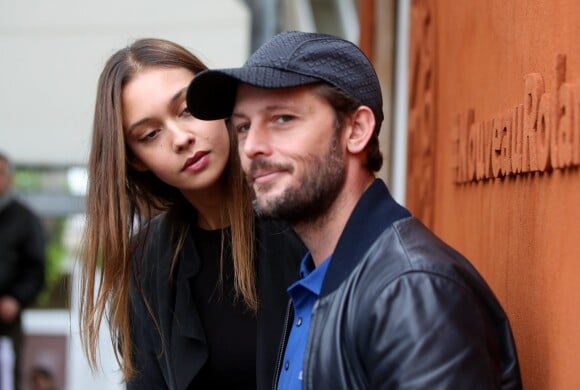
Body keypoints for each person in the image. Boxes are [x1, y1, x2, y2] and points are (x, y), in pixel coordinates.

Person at [186, 30, 523, 389]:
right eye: (243, 127)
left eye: (282, 119)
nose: (252, 146)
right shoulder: (316, 278)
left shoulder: (412, 290)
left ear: (357, 130)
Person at [78, 38, 305, 390]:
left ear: (218, 100)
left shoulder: (300, 217)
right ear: (136, 159)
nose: (181, 138)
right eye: (150, 134)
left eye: (186, 109)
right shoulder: (147, 260)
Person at [0, 151, 46, 390]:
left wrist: (16, 299)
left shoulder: (25, 219)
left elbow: (36, 270)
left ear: (9, 178)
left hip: (6, 321)